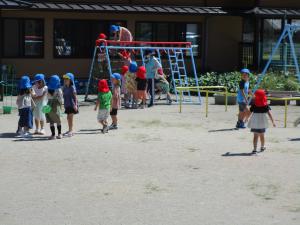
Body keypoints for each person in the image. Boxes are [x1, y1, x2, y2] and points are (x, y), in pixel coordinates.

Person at [247, 89, 276, 155]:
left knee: (255, 136)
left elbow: (249, 112)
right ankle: (262, 147)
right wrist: (273, 122)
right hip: (262, 122)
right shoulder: (265, 105)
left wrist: (246, 119)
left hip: (254, 121)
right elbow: (269, 114)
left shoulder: (254, 105)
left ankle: (254, 150)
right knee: (262, 135)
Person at [46, 75, 63, 140]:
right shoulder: (59, 89)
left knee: (51, 120)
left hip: (49, 104)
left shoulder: (48, 88)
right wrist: (62, 104)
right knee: (58, 120)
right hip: (57, 105)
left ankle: (53, 135)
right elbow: (61, 99)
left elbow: (47, 97)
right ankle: (59, 134)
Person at [62, 73, 78, 137]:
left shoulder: (72, 87)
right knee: (68, 118)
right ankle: (69, 130)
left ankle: (71, 131)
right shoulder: (65, 87)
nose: (65, 80)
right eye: (65, 79)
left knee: (70, 118)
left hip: (72, 105)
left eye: (67, 79)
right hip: (67, 104)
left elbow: (75, 97)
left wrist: (76, 105)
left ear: (70, 80)